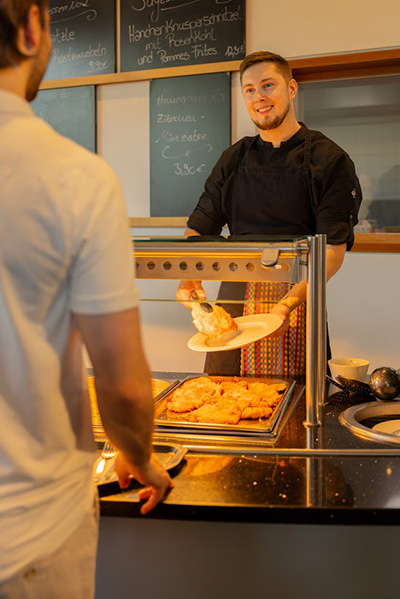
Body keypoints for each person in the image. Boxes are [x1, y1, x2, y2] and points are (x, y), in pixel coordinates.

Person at [0, 1, 172, 597]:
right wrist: (139, 455)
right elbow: (122, 383)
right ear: (30, 28)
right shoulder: (75, 176)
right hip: (28, 529)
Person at [177, 51, 362, 378]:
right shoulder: (233, 158)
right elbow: (199, 227)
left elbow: (331, 252)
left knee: (297, 404)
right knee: (223, 394)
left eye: (267, 85)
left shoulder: (330, 160)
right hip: (235, 295)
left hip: (297, 296)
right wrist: (188, 275)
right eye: (249, 89)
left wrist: (285, 306)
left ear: (291, 89)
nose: (258, 97)